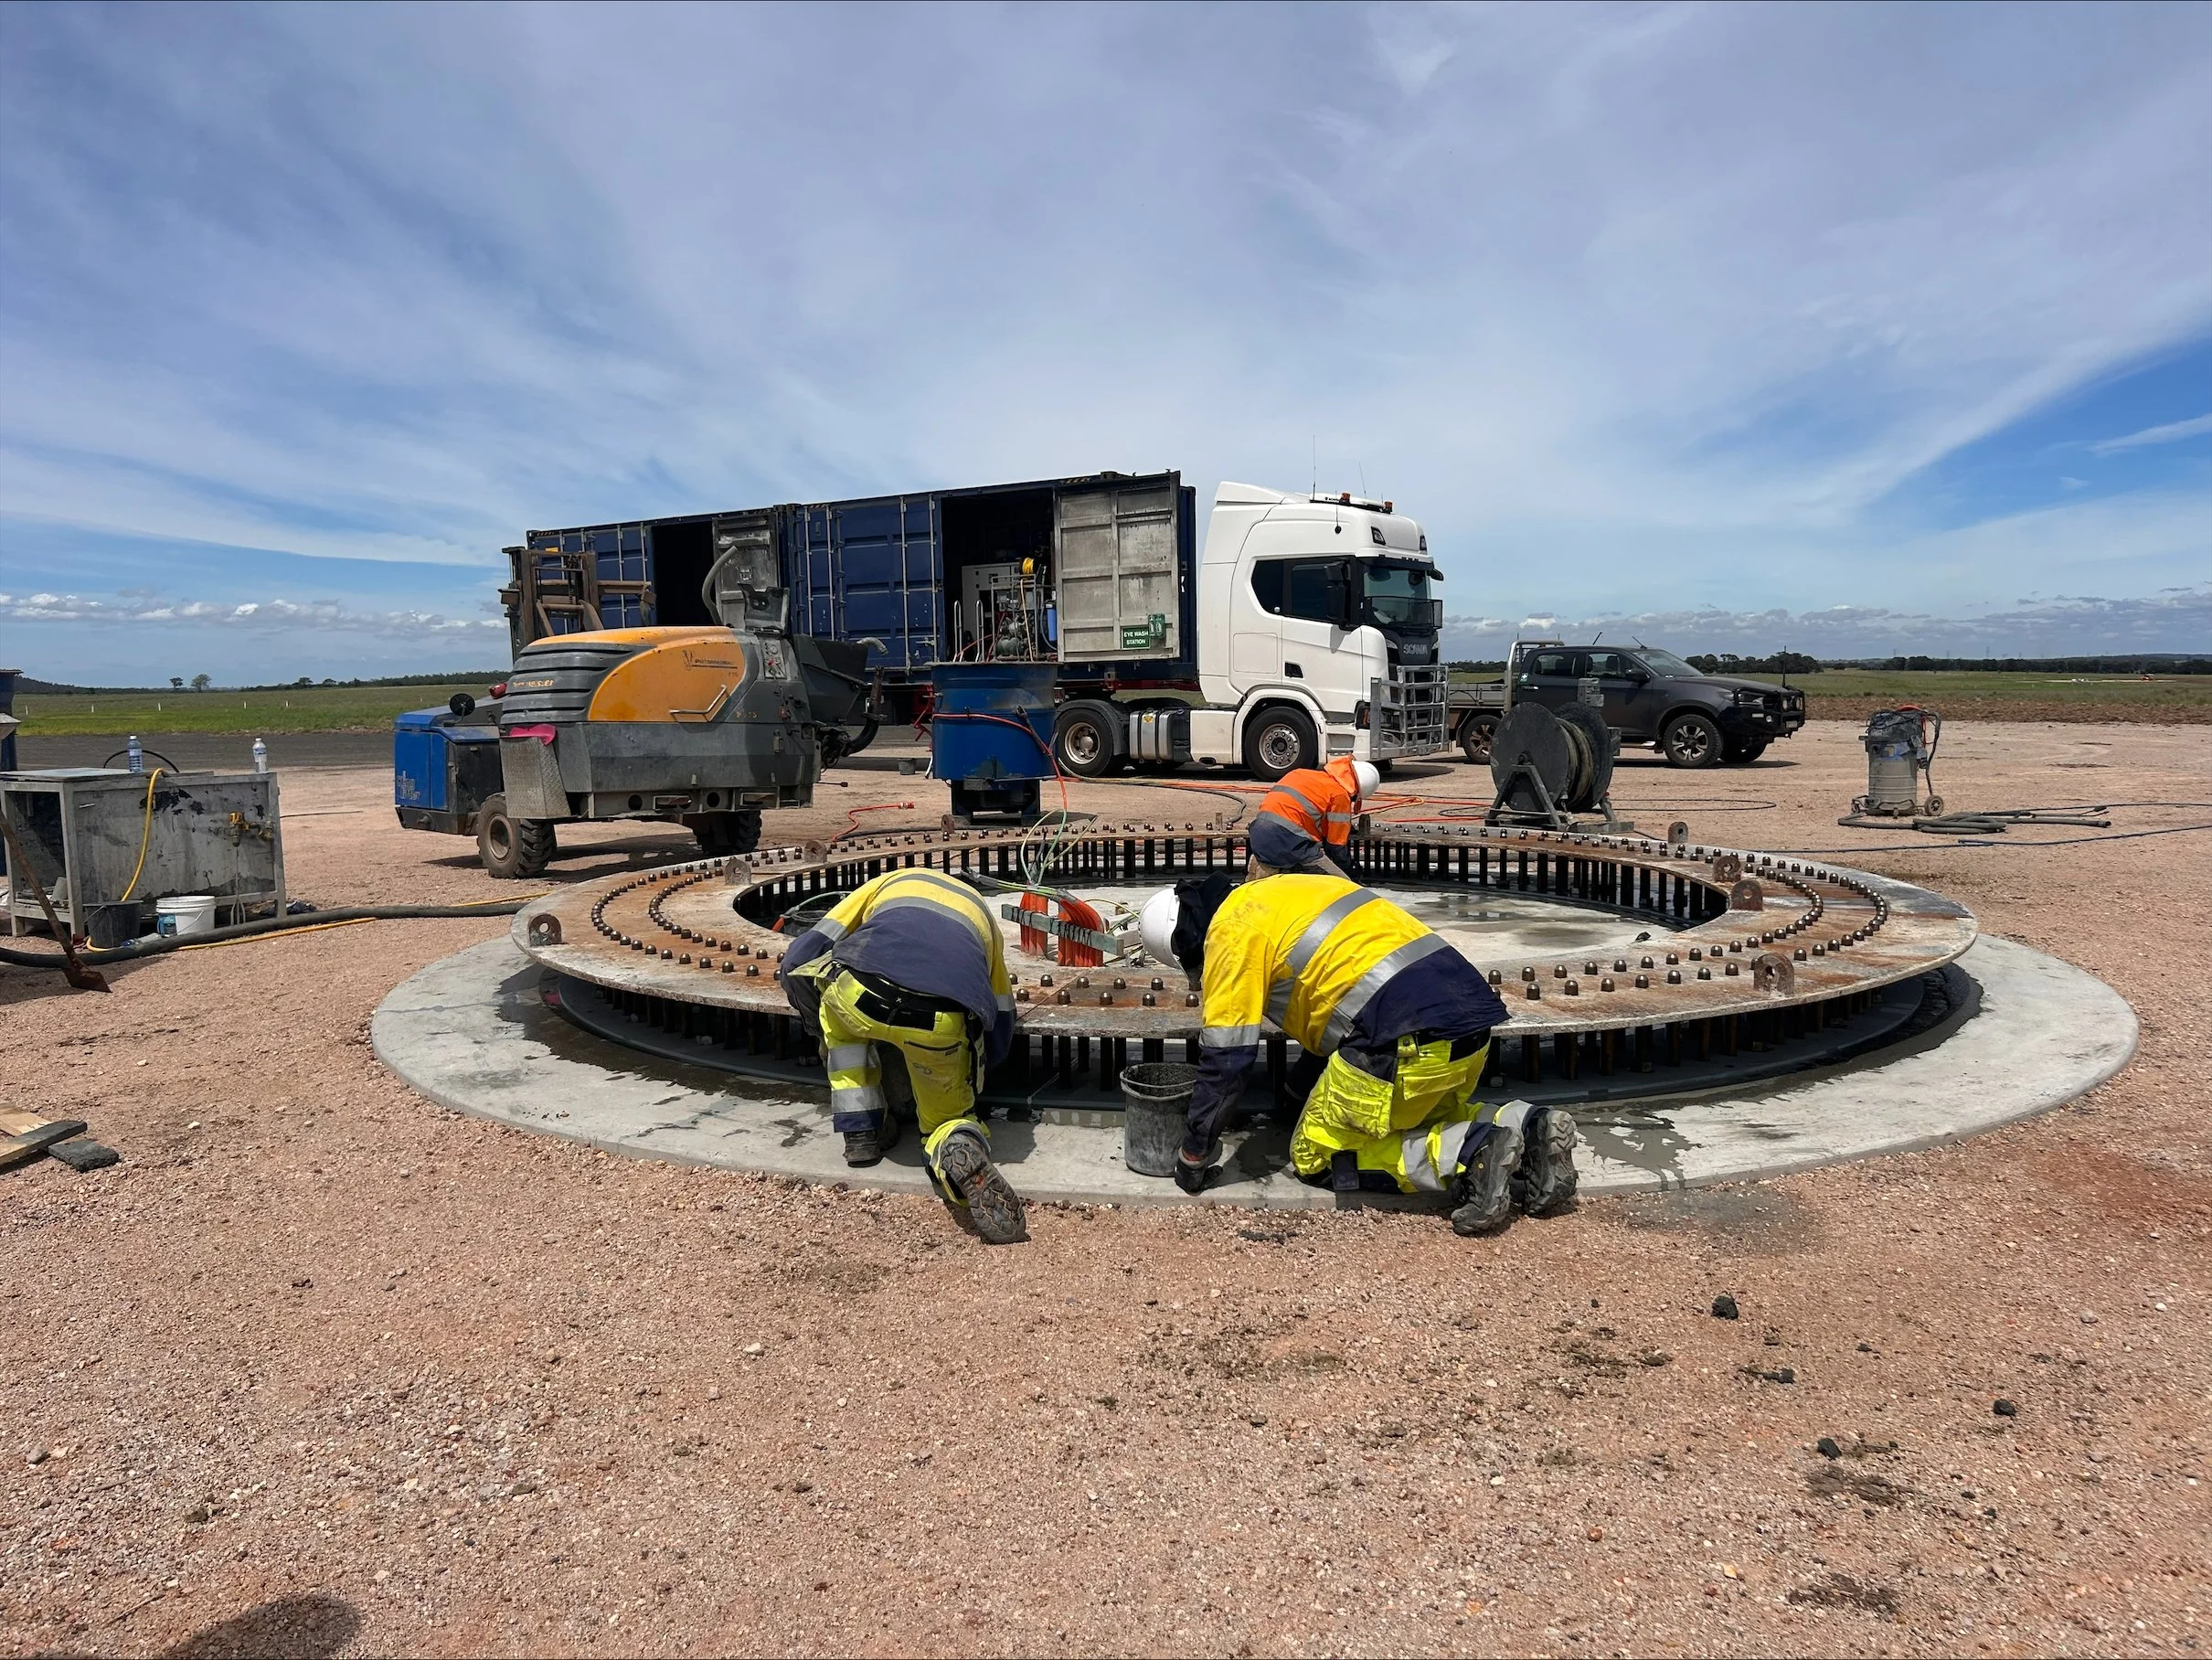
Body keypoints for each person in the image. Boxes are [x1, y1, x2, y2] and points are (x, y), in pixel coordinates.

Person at [1138, 872, 1578, 1235]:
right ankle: (1531, 1126)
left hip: (1403, 1044)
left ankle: (1469, 1154)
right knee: (1421, 1120)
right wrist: (1294, 1096)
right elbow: (1335, 1011)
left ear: (1182, 942)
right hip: (1467, 1033)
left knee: (1315, 1156)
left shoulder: (1231, 933)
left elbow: (1227, 1060)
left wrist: (1194, 1153)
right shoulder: (1284, 891)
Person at [777, 867, 1025, 1244]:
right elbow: (1002, 1011)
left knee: (842, 1038)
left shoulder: (888, 883)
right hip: (938, 1020)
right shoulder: (983, 917)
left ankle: (862, 1132)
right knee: (948, 1117)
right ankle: (955, 1144)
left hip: (858, 994)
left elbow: (799, 956)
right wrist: (977, 1070)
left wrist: (815, 1028)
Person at [1246, 756, 1379, 878]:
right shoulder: (1340, 795)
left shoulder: (1300, 773)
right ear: (1356, 792)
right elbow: (1335, 848)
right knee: (1342, 883)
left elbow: (1297, 810)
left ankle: (1263, 869)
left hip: (1258, 836)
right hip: (1288, 840)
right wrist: (1350, 869)